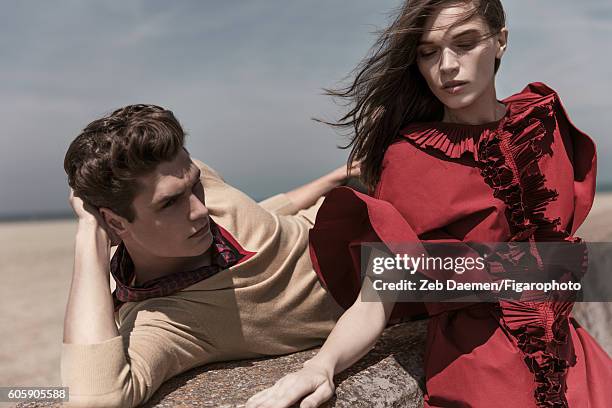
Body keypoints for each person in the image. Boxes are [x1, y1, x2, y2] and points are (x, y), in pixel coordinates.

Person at [246, 0, 612, 407]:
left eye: (465, 43)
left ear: (500, 42)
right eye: (429, 51)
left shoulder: (541, 123)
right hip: (484, 370)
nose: (447, 66)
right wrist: (321, 366)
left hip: (574, 356)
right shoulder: (408, 161)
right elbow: (378, 295)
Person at [61, 104, 359, 407]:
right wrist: (90, 234)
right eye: (170, 203)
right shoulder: (169, 321)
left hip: (355, 198)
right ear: (114, 222)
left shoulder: (182, 178)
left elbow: (259, 217)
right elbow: (93, 399)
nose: (200, 209)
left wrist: (333, 177)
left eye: (195, 184)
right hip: (381, 271)